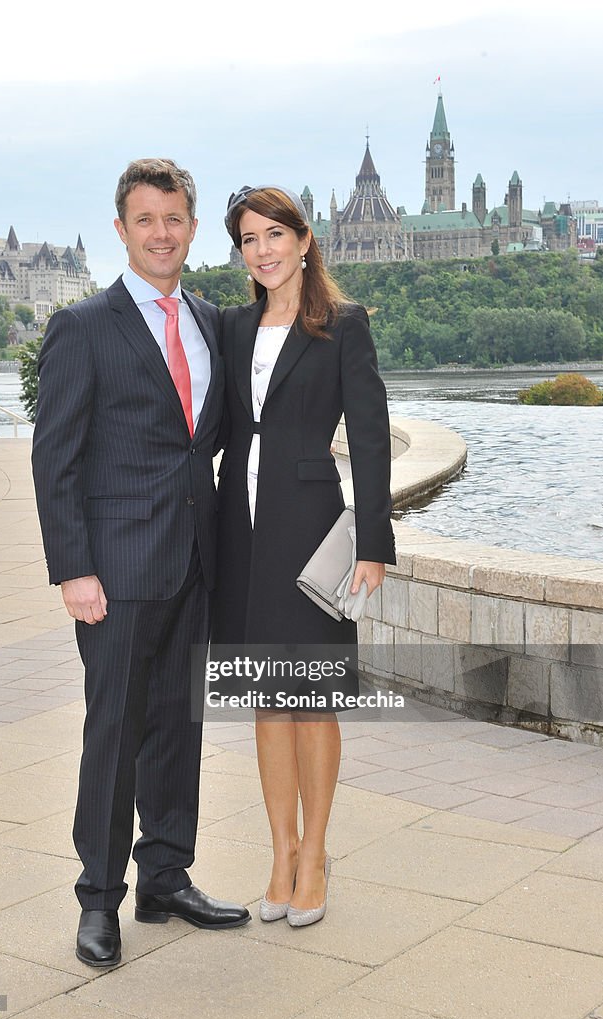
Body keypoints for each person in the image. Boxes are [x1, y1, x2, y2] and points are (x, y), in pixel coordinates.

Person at [31, 158, 250, 969]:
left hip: (195, 560)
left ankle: (165, 875)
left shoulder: (206, 316)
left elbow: (217, 438)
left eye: (174, 219)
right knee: (115, 732)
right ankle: (99, 899)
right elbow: (54, 459)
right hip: (116, 571)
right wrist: (72, 569)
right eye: (145, 220)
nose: (161, 233)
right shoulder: (83, 326)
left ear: (192, 229)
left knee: (178, 728)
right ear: (120, 230)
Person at [212, 185, 396, 927]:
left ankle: (315, 855)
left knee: (311, 701)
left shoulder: (342, 326)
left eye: (273, 235)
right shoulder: (230, 325)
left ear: (304, 238)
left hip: (312, 525)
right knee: (266, 699)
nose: (262, 250)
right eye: (249, 239)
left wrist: (374, 545)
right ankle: (279, 853)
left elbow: (373, 436)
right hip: (239, 528)